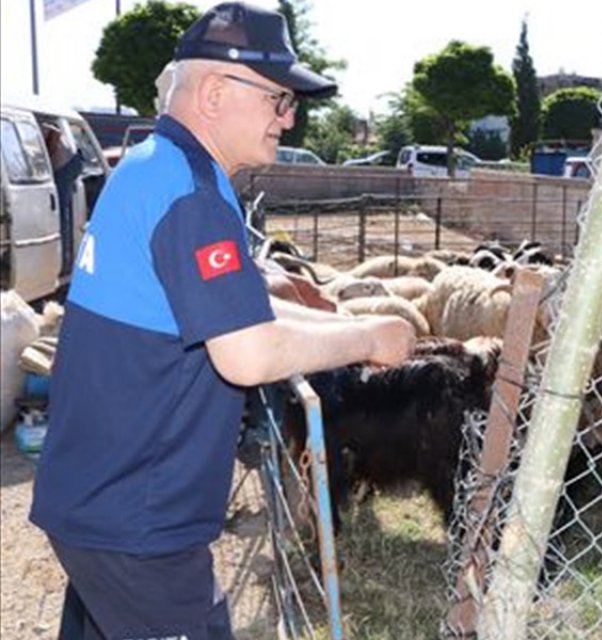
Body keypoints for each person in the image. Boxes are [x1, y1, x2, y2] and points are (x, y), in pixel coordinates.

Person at [28, 3, 417, 639]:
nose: (288, 121)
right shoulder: (192, 195)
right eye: (279, 100)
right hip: (140, 523)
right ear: (214, 91)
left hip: (96, 496)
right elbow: (246, 350)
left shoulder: (154, 166)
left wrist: (329, 320)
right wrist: (370, 336)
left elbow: (229, 307)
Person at [42, 123, 83, 276]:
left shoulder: (42, 120)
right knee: (63, 212)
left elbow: (54, 135)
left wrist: (46, 161)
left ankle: (64, 262)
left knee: (60, 214)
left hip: (64, 164)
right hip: (70, 160)